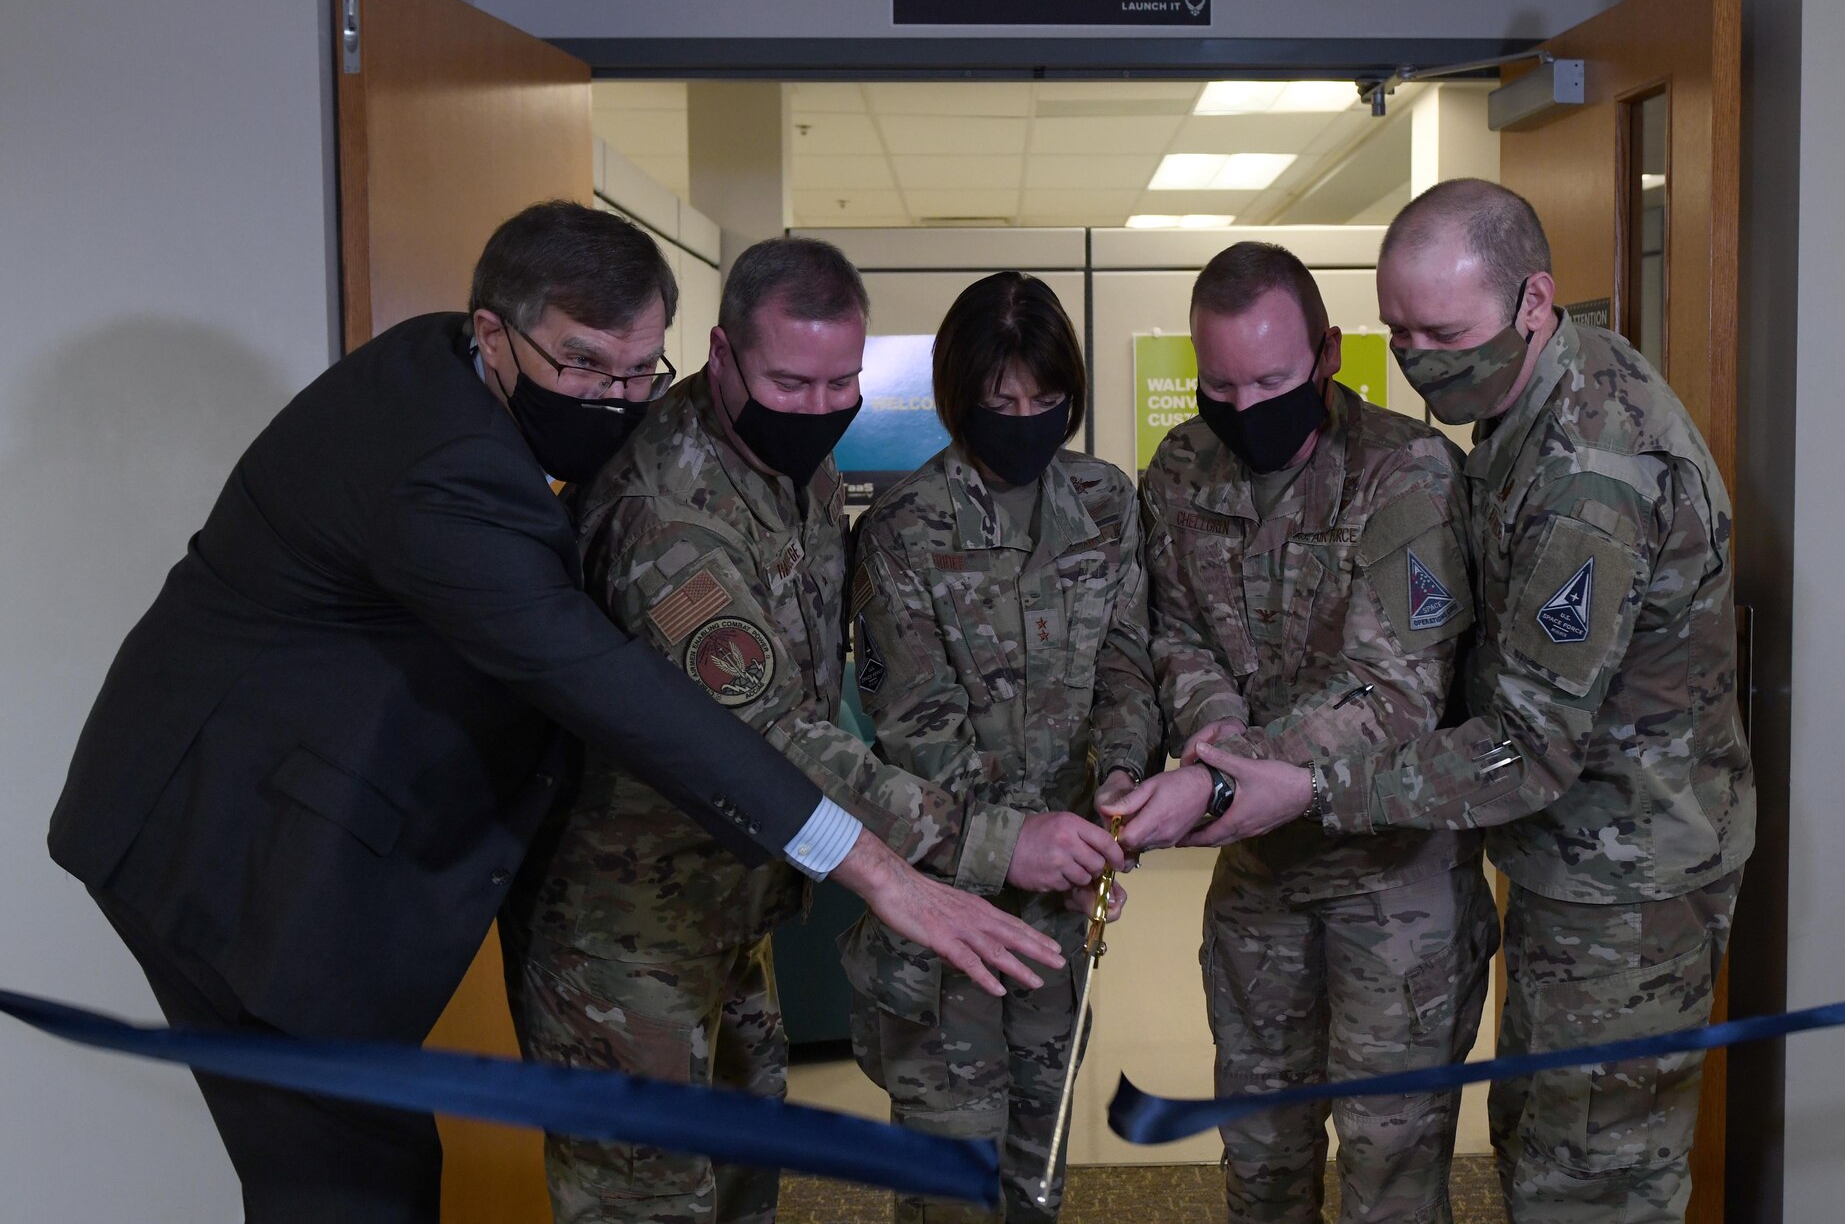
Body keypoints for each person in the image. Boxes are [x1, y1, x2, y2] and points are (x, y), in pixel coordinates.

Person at [45, 203, 1061, 1224]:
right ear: (495, 332)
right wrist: (885, 869)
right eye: (582, 367)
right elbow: (619, 687)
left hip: (344, 808)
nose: (615, 403)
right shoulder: (451, 475)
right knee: (353, 1186)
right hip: (229, 843)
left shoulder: (449, 363)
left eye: (635, 372)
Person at [1172, 181, 1755, 1223]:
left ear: (1534, 302)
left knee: (1590, 1185)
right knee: (1540, 1147)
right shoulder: (1524, 405)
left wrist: (1308, 785)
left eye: (1444, 331)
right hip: (1571, 861)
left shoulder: (1589, 468)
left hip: (1627, 882)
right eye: (1398, 331)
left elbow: (1525, 747)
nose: (1419, 358)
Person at [507, 239, 1090, 1223]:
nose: (819, 408)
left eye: (841, 381)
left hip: (729, 912)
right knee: (646, 1202)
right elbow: (768, 731)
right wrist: (987, 839)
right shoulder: (665, 508)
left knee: (743, 1187)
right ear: (721, 353)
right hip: (624, 940)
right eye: (788, 380)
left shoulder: (801, 472)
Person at [1101, 242, 1495, 1224]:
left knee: (1386, 1175)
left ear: (1324, 353)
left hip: (1392, 885)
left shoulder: (1407, 475)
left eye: (1270, 381)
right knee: (1259, 1154)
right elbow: (1175, 633)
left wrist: (1223, 778)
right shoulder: (1182, 468)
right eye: (1219, 385)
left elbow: (1390, 694)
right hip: (1260, 882)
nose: (1243, 409)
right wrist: (1214, 733)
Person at [843, 271, 1158, 1223]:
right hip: (946, 919)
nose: (1025, 420)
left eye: (1047, 402)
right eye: (1000, 402)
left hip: (1061, 922)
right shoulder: (903, 532)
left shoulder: (1106, 504)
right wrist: (1035, 836)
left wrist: (1119, 781)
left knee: (1039, 1173)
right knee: (953, 1188)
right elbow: (917, 734)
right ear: (958, 398)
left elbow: (1129, 666)